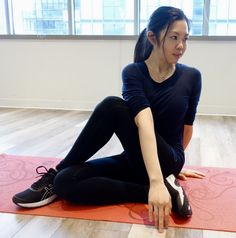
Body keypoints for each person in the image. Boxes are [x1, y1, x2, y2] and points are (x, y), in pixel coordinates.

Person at [12, 6, 205, 232]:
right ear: (152, 37)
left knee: (113, 106)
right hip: (138, 158)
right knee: (65, 181)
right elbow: (143, 122)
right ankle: (163, 190)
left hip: (167, 159)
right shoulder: (133, 73)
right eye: (174, 37)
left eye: (185, 38)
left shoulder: (192, 76)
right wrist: (155, 184)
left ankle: (160, 181)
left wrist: (172, 167)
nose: (181, 46)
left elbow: (187, 127)